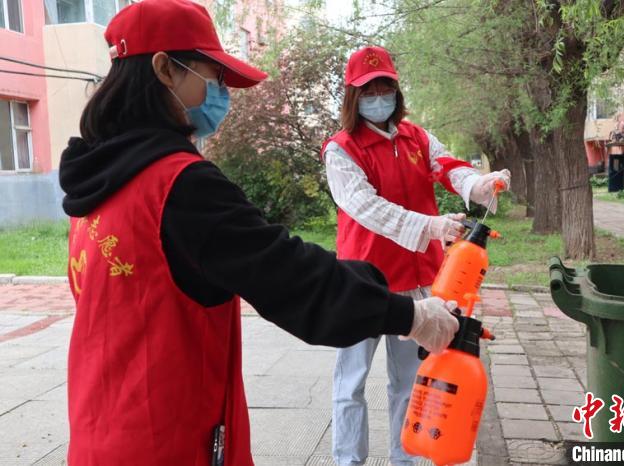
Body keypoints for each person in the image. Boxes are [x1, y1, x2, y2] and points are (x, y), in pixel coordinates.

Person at [58, 3, 461, 465]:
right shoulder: (176, 185)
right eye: (214, 76)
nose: (222, 93)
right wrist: (410, 315)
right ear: (165, 69)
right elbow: (289, 276)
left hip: (98, 433)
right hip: (166, 441)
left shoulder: (96, 184)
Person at [322, 46, 511, 466]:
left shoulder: (417, 138)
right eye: (368, 90)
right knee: (351, 382)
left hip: (417, 285)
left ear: (396, 90)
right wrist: (430, 226)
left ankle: (403, 458)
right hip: (361, 281)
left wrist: (478, 184)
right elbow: (365, 207)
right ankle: (348, 460)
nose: (378, 97)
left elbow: (449, 166)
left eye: (385, 87)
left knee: (410, 382)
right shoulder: (341, 149)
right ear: (353, 96)